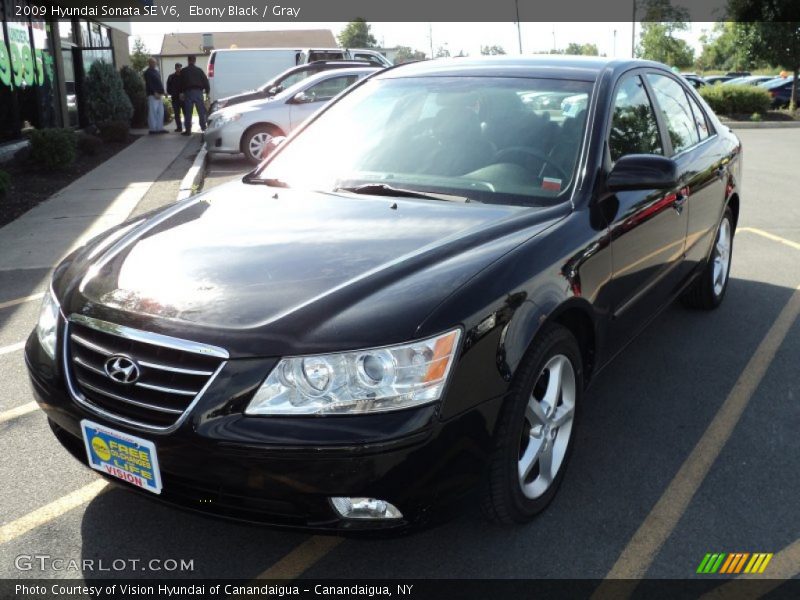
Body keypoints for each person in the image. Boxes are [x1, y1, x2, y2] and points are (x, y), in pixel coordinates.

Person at [179, 55, 209, 135]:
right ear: (195, 61)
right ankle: (203, 129)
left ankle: (188, 130)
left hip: (188, 93)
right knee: (201, 112)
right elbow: (205, 81)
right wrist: (207, 92)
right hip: (199, 92)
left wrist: (181, 92)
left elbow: (180, 83)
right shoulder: (199, 70)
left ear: (188, 61)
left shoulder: (184, 71)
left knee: (188, 112)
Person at [143, 58, 167, 134]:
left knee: (160, 112)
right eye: (153, 62)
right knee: (153, 112)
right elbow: (149, 83)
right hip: (153, 95)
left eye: (155, 62)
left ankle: (160, 128)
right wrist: (154, 92)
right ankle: (153, 129)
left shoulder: (156, 72)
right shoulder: (147, 72)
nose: (155, 64)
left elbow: (159, 82)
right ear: (149, 63)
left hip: (159, 94)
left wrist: (163, 92)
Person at [166, 62, 184, 133]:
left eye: (180, 67)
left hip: (183, 98)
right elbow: (168, 87)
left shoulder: (184, 77)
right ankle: (179, 128)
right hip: (175, 98)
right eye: (177, 67)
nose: (179, 69)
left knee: (186, 113)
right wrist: (172, 93)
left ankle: (187, 127)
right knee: (177, 114)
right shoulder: (171, 77)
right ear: (175, 68)